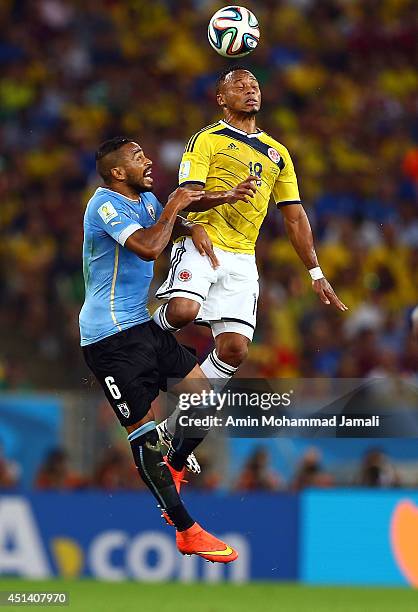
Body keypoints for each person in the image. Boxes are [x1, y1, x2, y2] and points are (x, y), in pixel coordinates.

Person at [153, 66, 347, 446]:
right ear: (221, 99)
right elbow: (186, 196)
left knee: (235, 349)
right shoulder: (206, 140)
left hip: (242, 257)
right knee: (182, 312)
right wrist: (224, 196)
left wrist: (315, 271)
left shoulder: (278, 154)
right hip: (202, 241)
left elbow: (294, 216)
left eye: (254, 85)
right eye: (239, 86)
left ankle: (177, 424)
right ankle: (138, 342)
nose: (250, 90)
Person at [79, 136, 238, 563]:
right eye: (137, 157)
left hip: (142, 328)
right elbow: (149, 245)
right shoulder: (105, 205)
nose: (148, 160)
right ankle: (186, 529)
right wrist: (174, 210)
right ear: (117, 172)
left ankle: (176, 462)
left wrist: (191, 224)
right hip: (108, 338)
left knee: (205, 401)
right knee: (145, 436)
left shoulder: (146, 200)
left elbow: (168, 224)